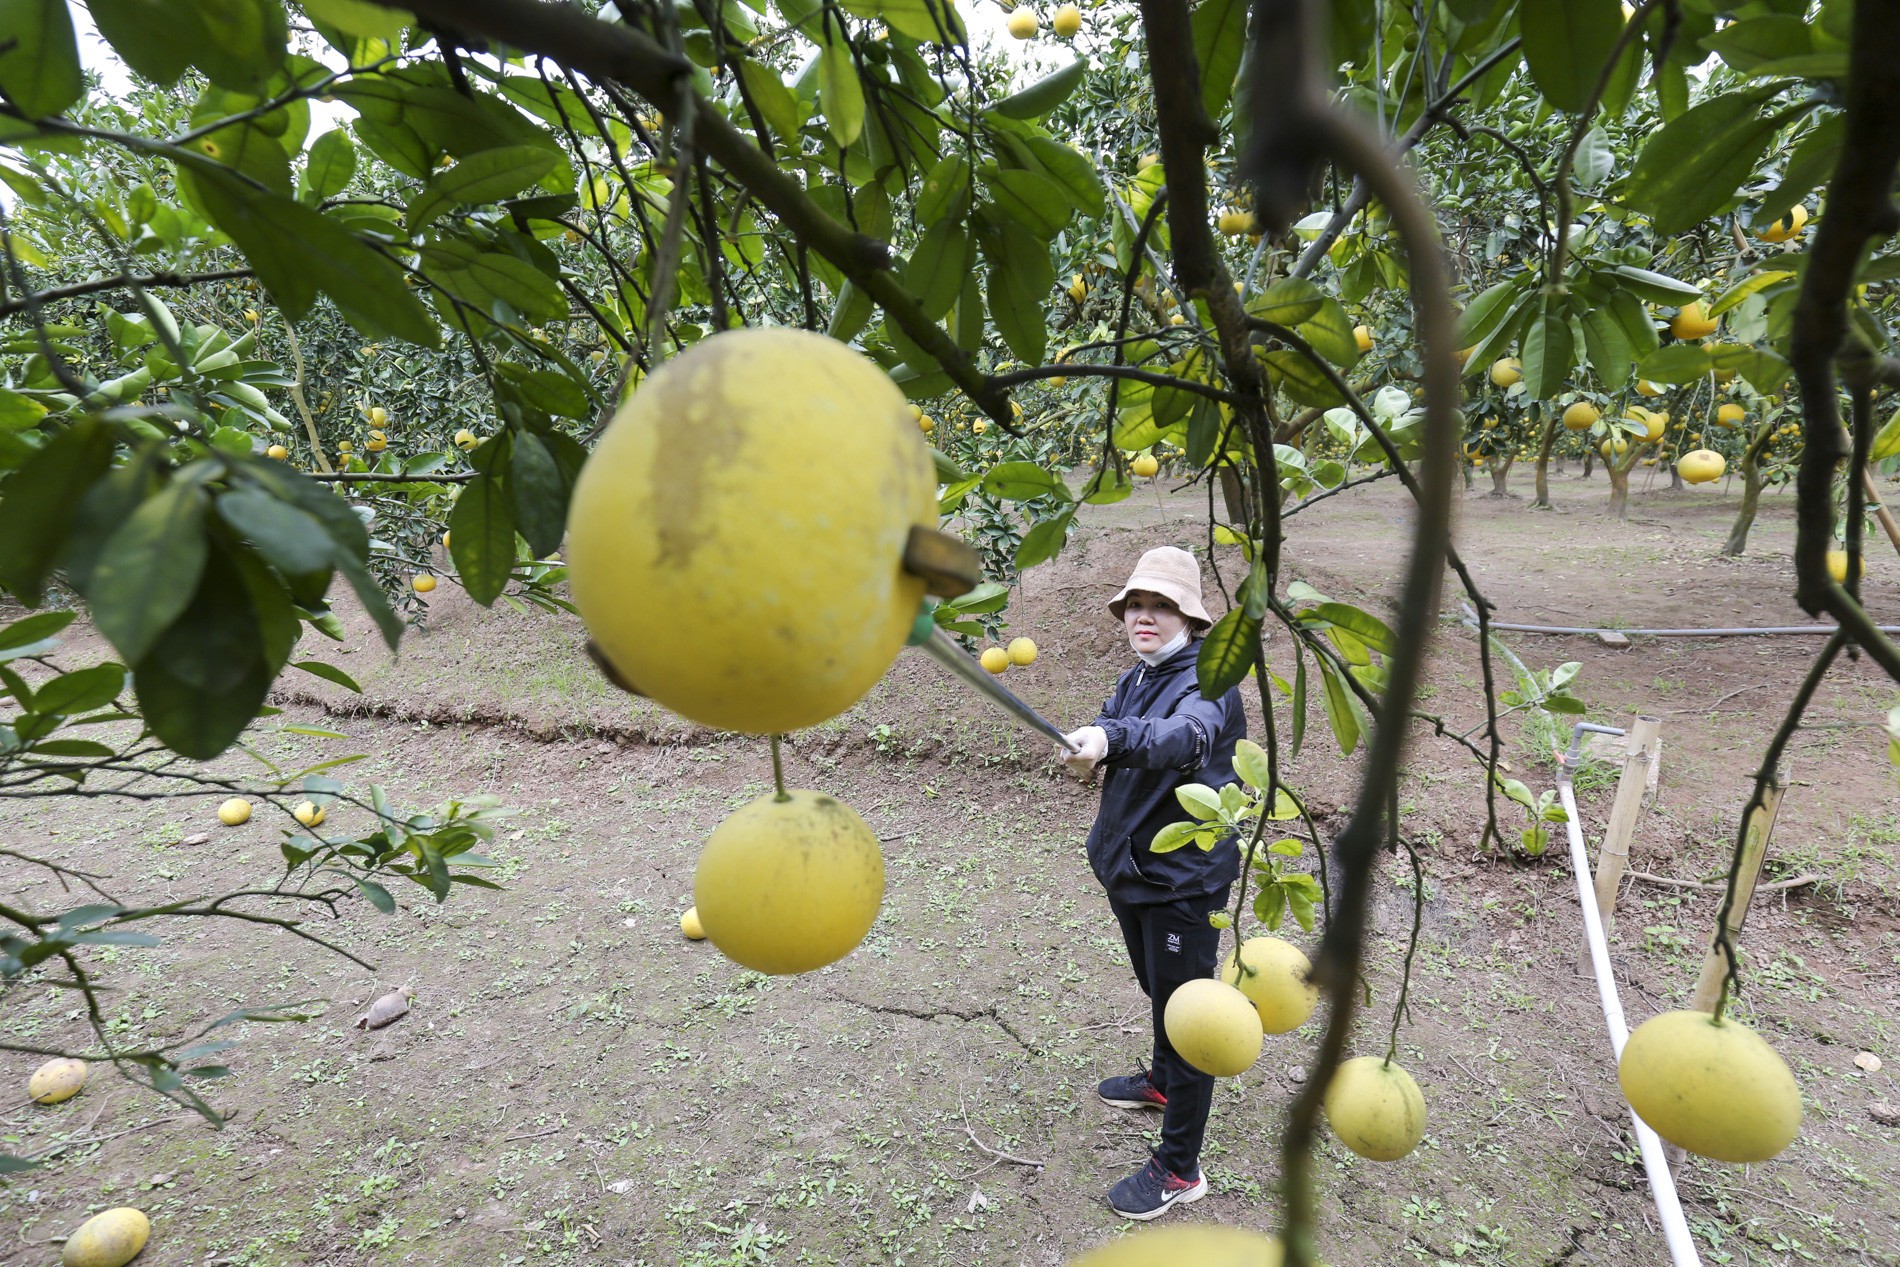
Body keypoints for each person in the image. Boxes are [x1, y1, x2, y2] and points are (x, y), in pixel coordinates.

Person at [1059, 544, 1247, 1221]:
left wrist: (1112, 741)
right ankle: (1163, 1084)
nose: (1143, 615)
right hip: (1133, 870)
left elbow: (1182, 738)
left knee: (1191, 1018)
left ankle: (1178, 1167)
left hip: (1180, 883)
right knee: (1159, 992)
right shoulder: (1139, 675)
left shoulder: (1209, 681)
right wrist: (1095, 742)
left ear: (1190, 618)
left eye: (1160, 604)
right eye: (1135, 604)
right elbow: (1121, 723)